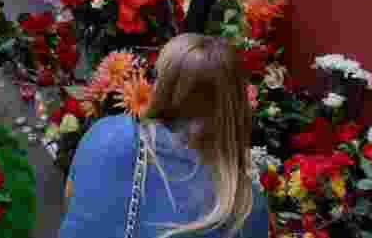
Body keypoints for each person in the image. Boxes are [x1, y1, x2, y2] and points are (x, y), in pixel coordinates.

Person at [60, 34, 270, 238]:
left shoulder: (107, 133)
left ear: (163, 85)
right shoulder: (244, 205)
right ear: (237, 104)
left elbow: (72, 202)